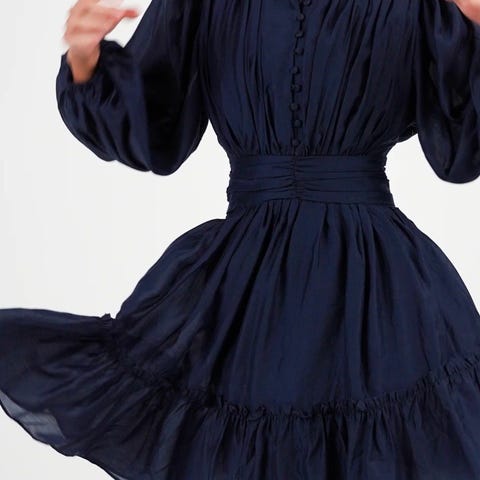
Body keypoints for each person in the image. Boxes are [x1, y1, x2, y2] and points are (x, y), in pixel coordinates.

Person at [2, 0, 480, 478]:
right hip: (249, 285)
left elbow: (461, 150)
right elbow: (152, 127)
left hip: (374, 295)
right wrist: (85, 59)